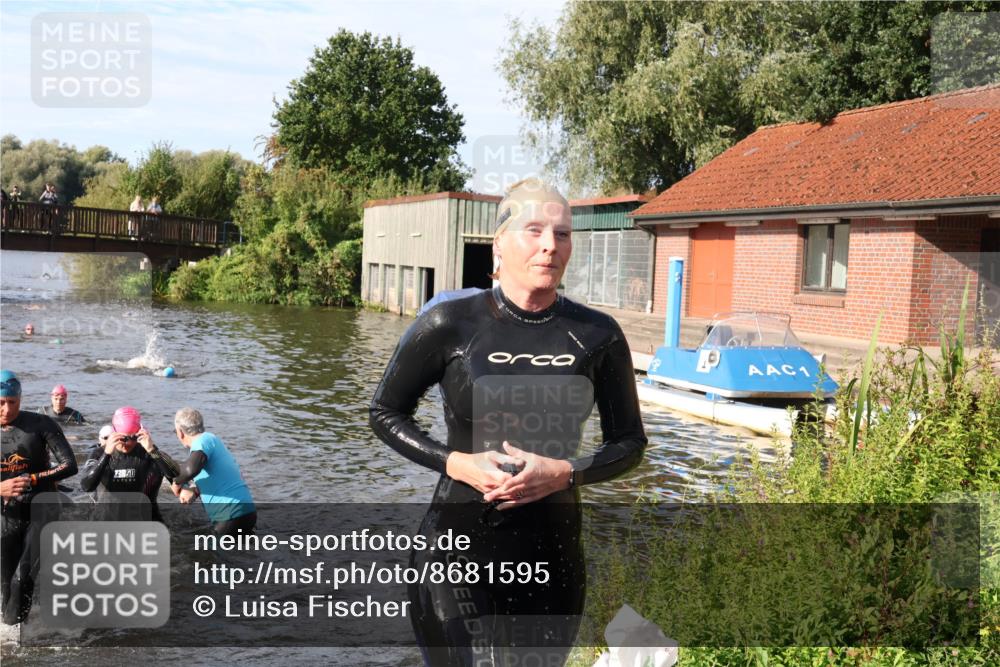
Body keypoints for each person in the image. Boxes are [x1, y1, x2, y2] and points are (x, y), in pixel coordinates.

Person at [369, 178, 647, 666]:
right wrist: (457, 462)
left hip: (553, 559)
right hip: (455, 553)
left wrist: (566, 472)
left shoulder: (597, 335)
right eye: (534, 230)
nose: (550, 245)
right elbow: (385, 412)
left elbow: (629, 442)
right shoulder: (450, 324)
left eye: (562, 234)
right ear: (500, 243)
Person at [1, 370, 78, 625]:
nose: (7, 409)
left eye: (12, 402)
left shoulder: (41, 424)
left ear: (20, 400)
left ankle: (16, 634)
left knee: (22, 577)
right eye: (1, 402)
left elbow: (69, 465)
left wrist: (33, 479)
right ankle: (9, 631)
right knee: (5, 582)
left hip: (43, 508)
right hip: (7, 512)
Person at [169, 407, 256, 536]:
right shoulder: (211, 441)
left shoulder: (202, 441)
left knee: (209, 548)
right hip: (247, 512)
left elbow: (189, 469)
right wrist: (194, 491)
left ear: (180, 432)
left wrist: (176, 482)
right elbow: (215, 478)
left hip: (231, 515)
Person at [80, 413, 180, 523]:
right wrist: (107, 454)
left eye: (132, 437)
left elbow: (177, 478)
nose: (128, 443)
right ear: (114, 433)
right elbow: (86, 486)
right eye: (123, 438)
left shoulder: (150, 453)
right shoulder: (99, 454)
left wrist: (152, 450)